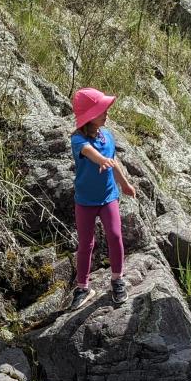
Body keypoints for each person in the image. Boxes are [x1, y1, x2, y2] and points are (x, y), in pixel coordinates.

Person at [68, 87, 137, 309]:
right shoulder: (77, 140)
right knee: (86, 244)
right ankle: (82, 286)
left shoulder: (108, 136)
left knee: (115, 236)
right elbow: (90, 152)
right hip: (85, 201)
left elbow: (113, 162)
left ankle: (117, 279)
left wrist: (125, 184)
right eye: (102, 110)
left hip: (108, 197)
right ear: (89, 116)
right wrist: (102, 161)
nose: (107, 113)